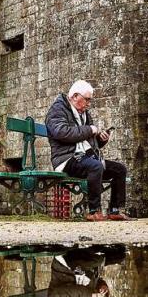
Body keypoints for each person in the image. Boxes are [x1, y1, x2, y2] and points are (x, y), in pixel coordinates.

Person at [44, 80, 130, 222]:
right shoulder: (57, 110)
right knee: (95, 166)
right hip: (66, 159)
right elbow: (61, 133)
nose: (88, 104)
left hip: (85, 157)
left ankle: (115, 210)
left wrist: (101, 139)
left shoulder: (84, 113)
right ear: (75, 96)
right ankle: (93, 211)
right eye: (87, 100)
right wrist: (90, 129)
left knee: (119, 169)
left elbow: (89, 141)